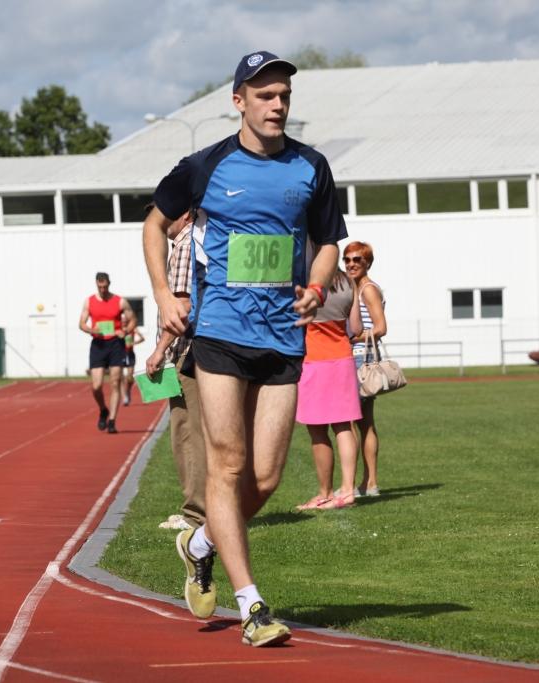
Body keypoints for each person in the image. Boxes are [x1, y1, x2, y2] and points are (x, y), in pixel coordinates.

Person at [142, 50, 347, 648]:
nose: (277, 104)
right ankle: (252, 606)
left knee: (267, 475)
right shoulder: (205, 166)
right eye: (265, 95)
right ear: (239, 101)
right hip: (221, 332)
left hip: (284, 337)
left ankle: (200, 543)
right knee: (227, 465)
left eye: (283, 95)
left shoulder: (311, 167)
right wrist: (163, 296)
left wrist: (313, 285)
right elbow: (155, 224)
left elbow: (329, 240)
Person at [145, 208, 207, 532]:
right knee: (196, 432)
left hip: (187, 352)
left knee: (187, 434)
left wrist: (160, 349)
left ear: (183, 215)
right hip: (196, 350)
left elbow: (182, 307)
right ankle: (205, 510)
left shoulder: (184, 247)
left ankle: (196, 514)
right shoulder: (192, 243)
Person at [295, 266, 363, 511]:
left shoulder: (306, 281)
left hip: (313, 359)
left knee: (318, 431)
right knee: (344, 426)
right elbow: (355, 328)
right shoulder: (349, 283)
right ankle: (347, 490)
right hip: (342, 358)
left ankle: (325, 492)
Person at [345, 241, 387, 497]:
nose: (351, 264)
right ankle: (368, 483)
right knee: (364, 422)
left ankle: (360, 483)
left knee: (351, 422)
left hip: (361, 358)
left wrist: (352, 338)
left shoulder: (368, 290)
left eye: (357, 259)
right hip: (359, 356)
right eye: (347, 259)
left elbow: (381, 327)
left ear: (367, 262)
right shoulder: (356, 288)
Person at [79, 272, 136, 434]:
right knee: (96, 386)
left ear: (109, 284)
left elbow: (133, 320)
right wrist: (91, 329)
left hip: (115, 344)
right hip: (98, 344)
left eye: (105, 286)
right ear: (97, 285)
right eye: (100, 287)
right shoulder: (89, 302)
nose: (103, 289)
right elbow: (81, 323)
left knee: (115, 382)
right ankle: (103, 409)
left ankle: (112, 420)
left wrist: (124, 331)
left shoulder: (120, 301)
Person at [121, 327, 146, 406]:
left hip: (130, 354)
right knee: (120, 376)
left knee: (130, 378)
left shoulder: (133, 329)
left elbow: (142, 338)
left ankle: (128, 391)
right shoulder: (118, 327)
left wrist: (134, 343)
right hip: (120, 354)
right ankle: (124, 396)